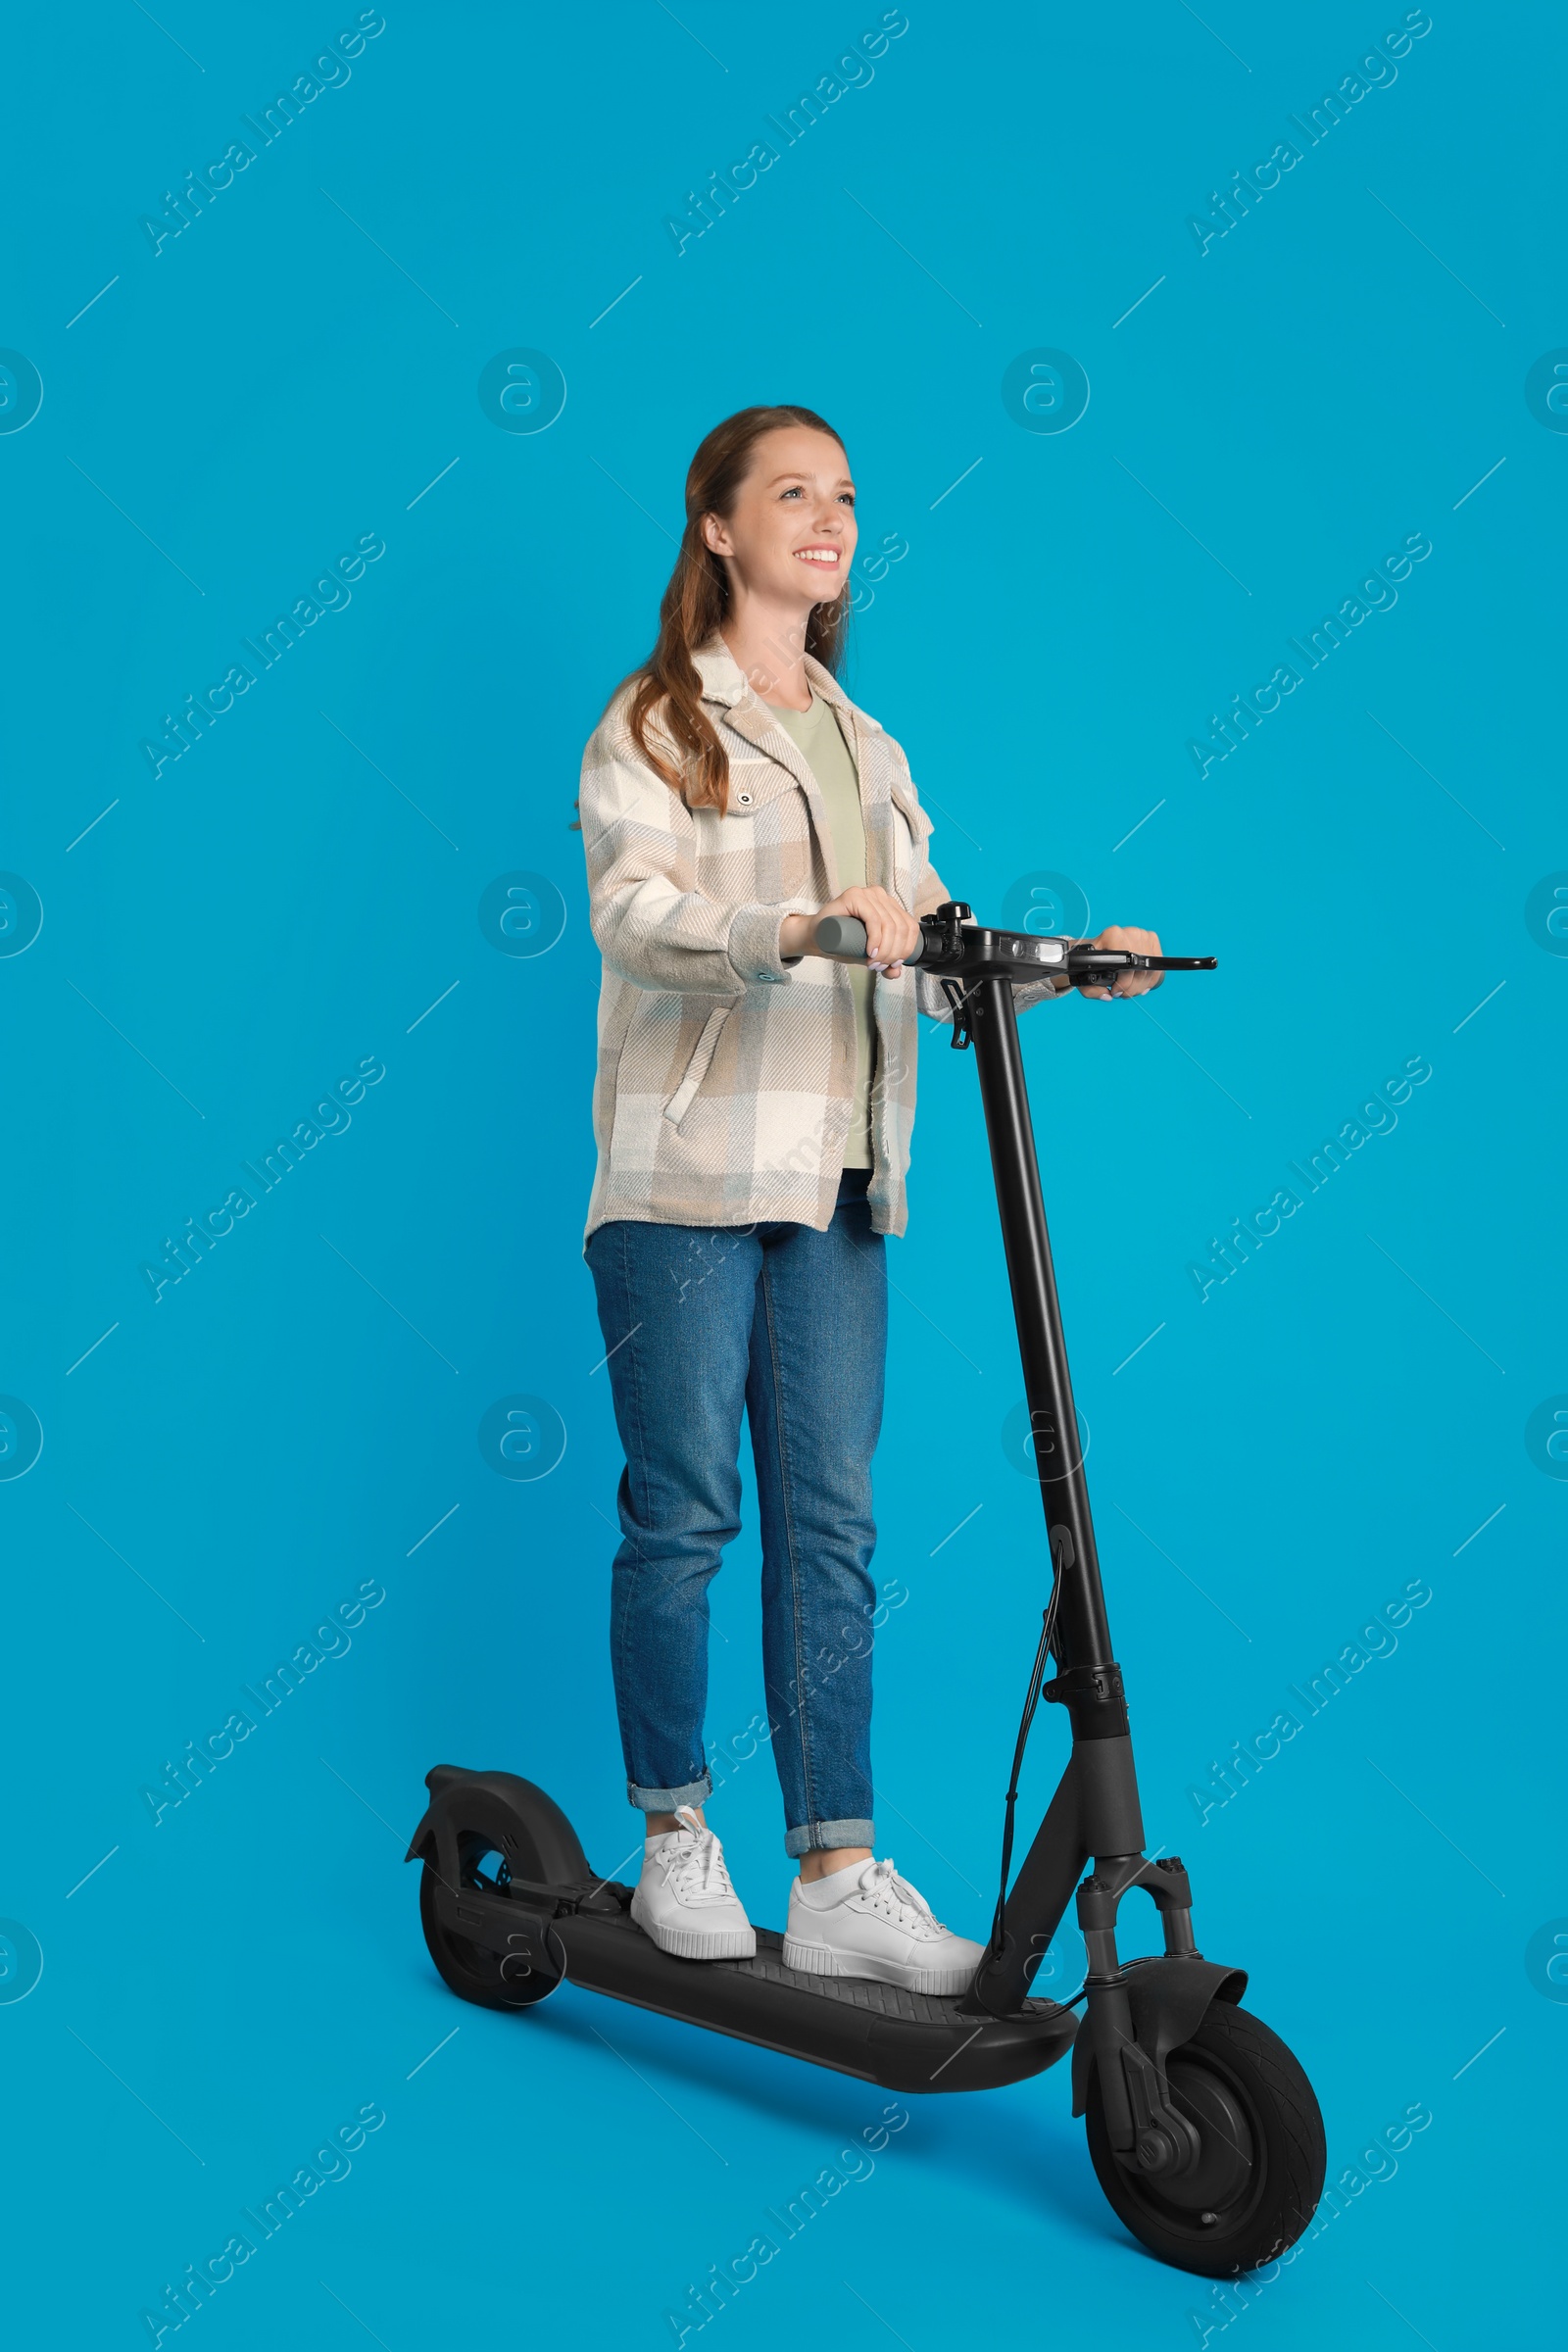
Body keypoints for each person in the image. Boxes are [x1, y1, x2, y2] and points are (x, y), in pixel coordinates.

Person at [578, 404, 1165, 1993]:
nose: (828, 519)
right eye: (792, 493)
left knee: (831, 1528)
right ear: (716, 526)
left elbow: (919, 945)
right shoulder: (656, 723)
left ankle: (836, 1867)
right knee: (686, 1513)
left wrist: (1059, 968)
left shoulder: (864, 738)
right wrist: (795, 926)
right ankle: (674, 1833)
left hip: (839, 1178)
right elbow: (636, 917)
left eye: (843, 496)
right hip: (687, 1180)